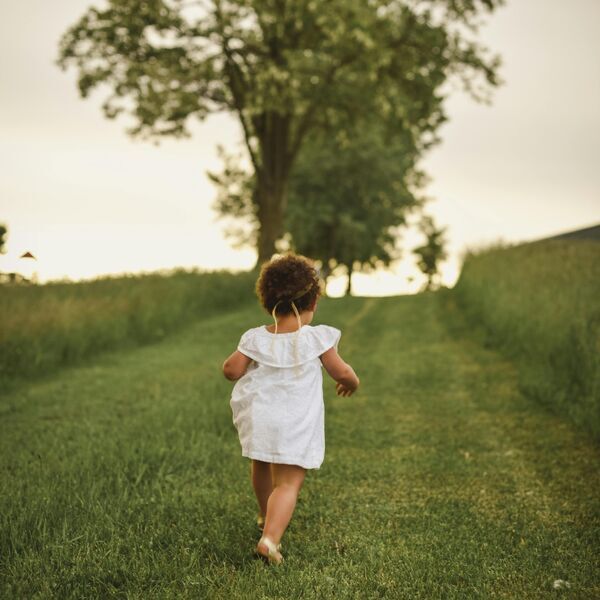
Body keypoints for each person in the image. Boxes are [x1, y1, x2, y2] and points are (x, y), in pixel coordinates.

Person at [222, 253, 360, 565]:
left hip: (260, 418)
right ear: (312, 302)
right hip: (294, 422)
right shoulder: (316, 338)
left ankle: (264, 513)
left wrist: (236, 364)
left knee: (261, 465)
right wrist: (352, 383)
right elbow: (341, 372)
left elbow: (231, 370)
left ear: (268, 301)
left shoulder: (255, 338)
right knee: (288, 483)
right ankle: (270, 539)